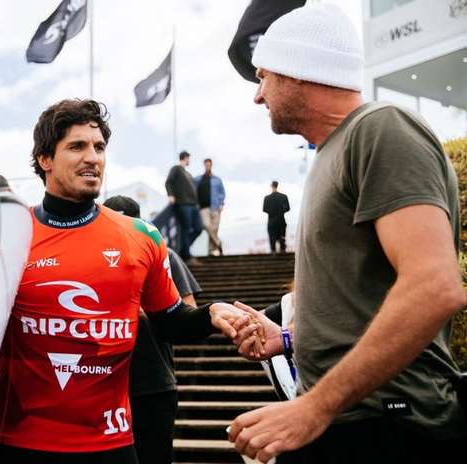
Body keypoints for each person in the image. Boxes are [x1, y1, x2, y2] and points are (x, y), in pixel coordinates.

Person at [0, 99, 256, 464]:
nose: (92, 157)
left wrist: (210, 314)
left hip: (112, 446)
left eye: (99, 147)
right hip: (21, 445)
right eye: (77, 146)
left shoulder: (142, 237)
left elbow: (171, 321)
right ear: (45, 159)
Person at [222, 4, 467, 463]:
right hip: (345, 423)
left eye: (263, 77)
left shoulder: (381, 129)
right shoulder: (332, 152)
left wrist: (313, 406)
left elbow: (435, 287)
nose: (258, 96)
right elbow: (362, 296)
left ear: (298, 70)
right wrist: (290, 338)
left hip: (389, 427)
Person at [103, 195, 202, 464]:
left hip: (154, 381)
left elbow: (188, 308)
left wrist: (137, 312)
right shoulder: (97, 260)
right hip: (105, 384)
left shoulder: (163, 255)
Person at [165, 150, 199, 261]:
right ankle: (186, 254)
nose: (189, 161)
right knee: (186, 228)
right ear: (185, 158)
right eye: (188, 158)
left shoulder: (188, 173)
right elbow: (168, 182)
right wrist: (170, 195)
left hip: (193, 205)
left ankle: (185, 248)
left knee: (199, 227)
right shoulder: (176, 169)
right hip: (183, 204)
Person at [194, 158, 225, 256]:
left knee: (215, 229)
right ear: (204, 165)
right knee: (207, 225)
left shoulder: (217, 180)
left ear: (211, 165)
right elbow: (191, 188)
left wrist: (221, 204)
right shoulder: (198, 179)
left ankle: (211, 251)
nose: (207, 166)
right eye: (206, 164)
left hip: (215, 207)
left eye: (209, 164)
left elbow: (222, 193)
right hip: (203, 208)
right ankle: (218, 243)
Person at [262, 180, 289, 254]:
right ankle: (283, 251)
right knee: (282, 237)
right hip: (281, 220)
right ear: (277, 185)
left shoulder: (267, 198)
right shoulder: (283, 197)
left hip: (271, 220)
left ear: (271, 186)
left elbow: (265, 209)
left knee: (272, 237)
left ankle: (273, 251)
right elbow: (287, 208)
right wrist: (281, 212)